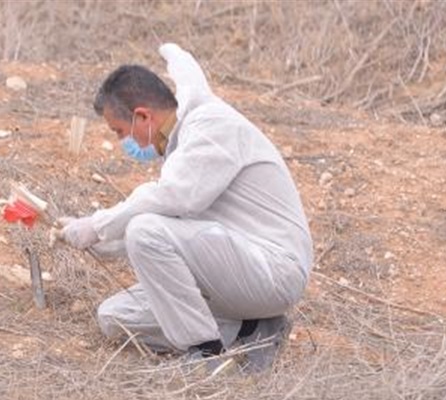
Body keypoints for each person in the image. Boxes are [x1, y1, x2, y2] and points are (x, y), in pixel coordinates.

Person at [60, 43, 313, 372]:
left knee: (144, 229)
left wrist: (98, 225)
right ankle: (251, 330)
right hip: (231, 270)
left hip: (272, 271)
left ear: (142, 116)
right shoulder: (182, 141)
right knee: (115, 317)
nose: (124, 142)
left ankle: (205, 353)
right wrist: (95, 240)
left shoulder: (211, 127)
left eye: (120, 132)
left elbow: (171, 200)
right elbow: (177, 228)